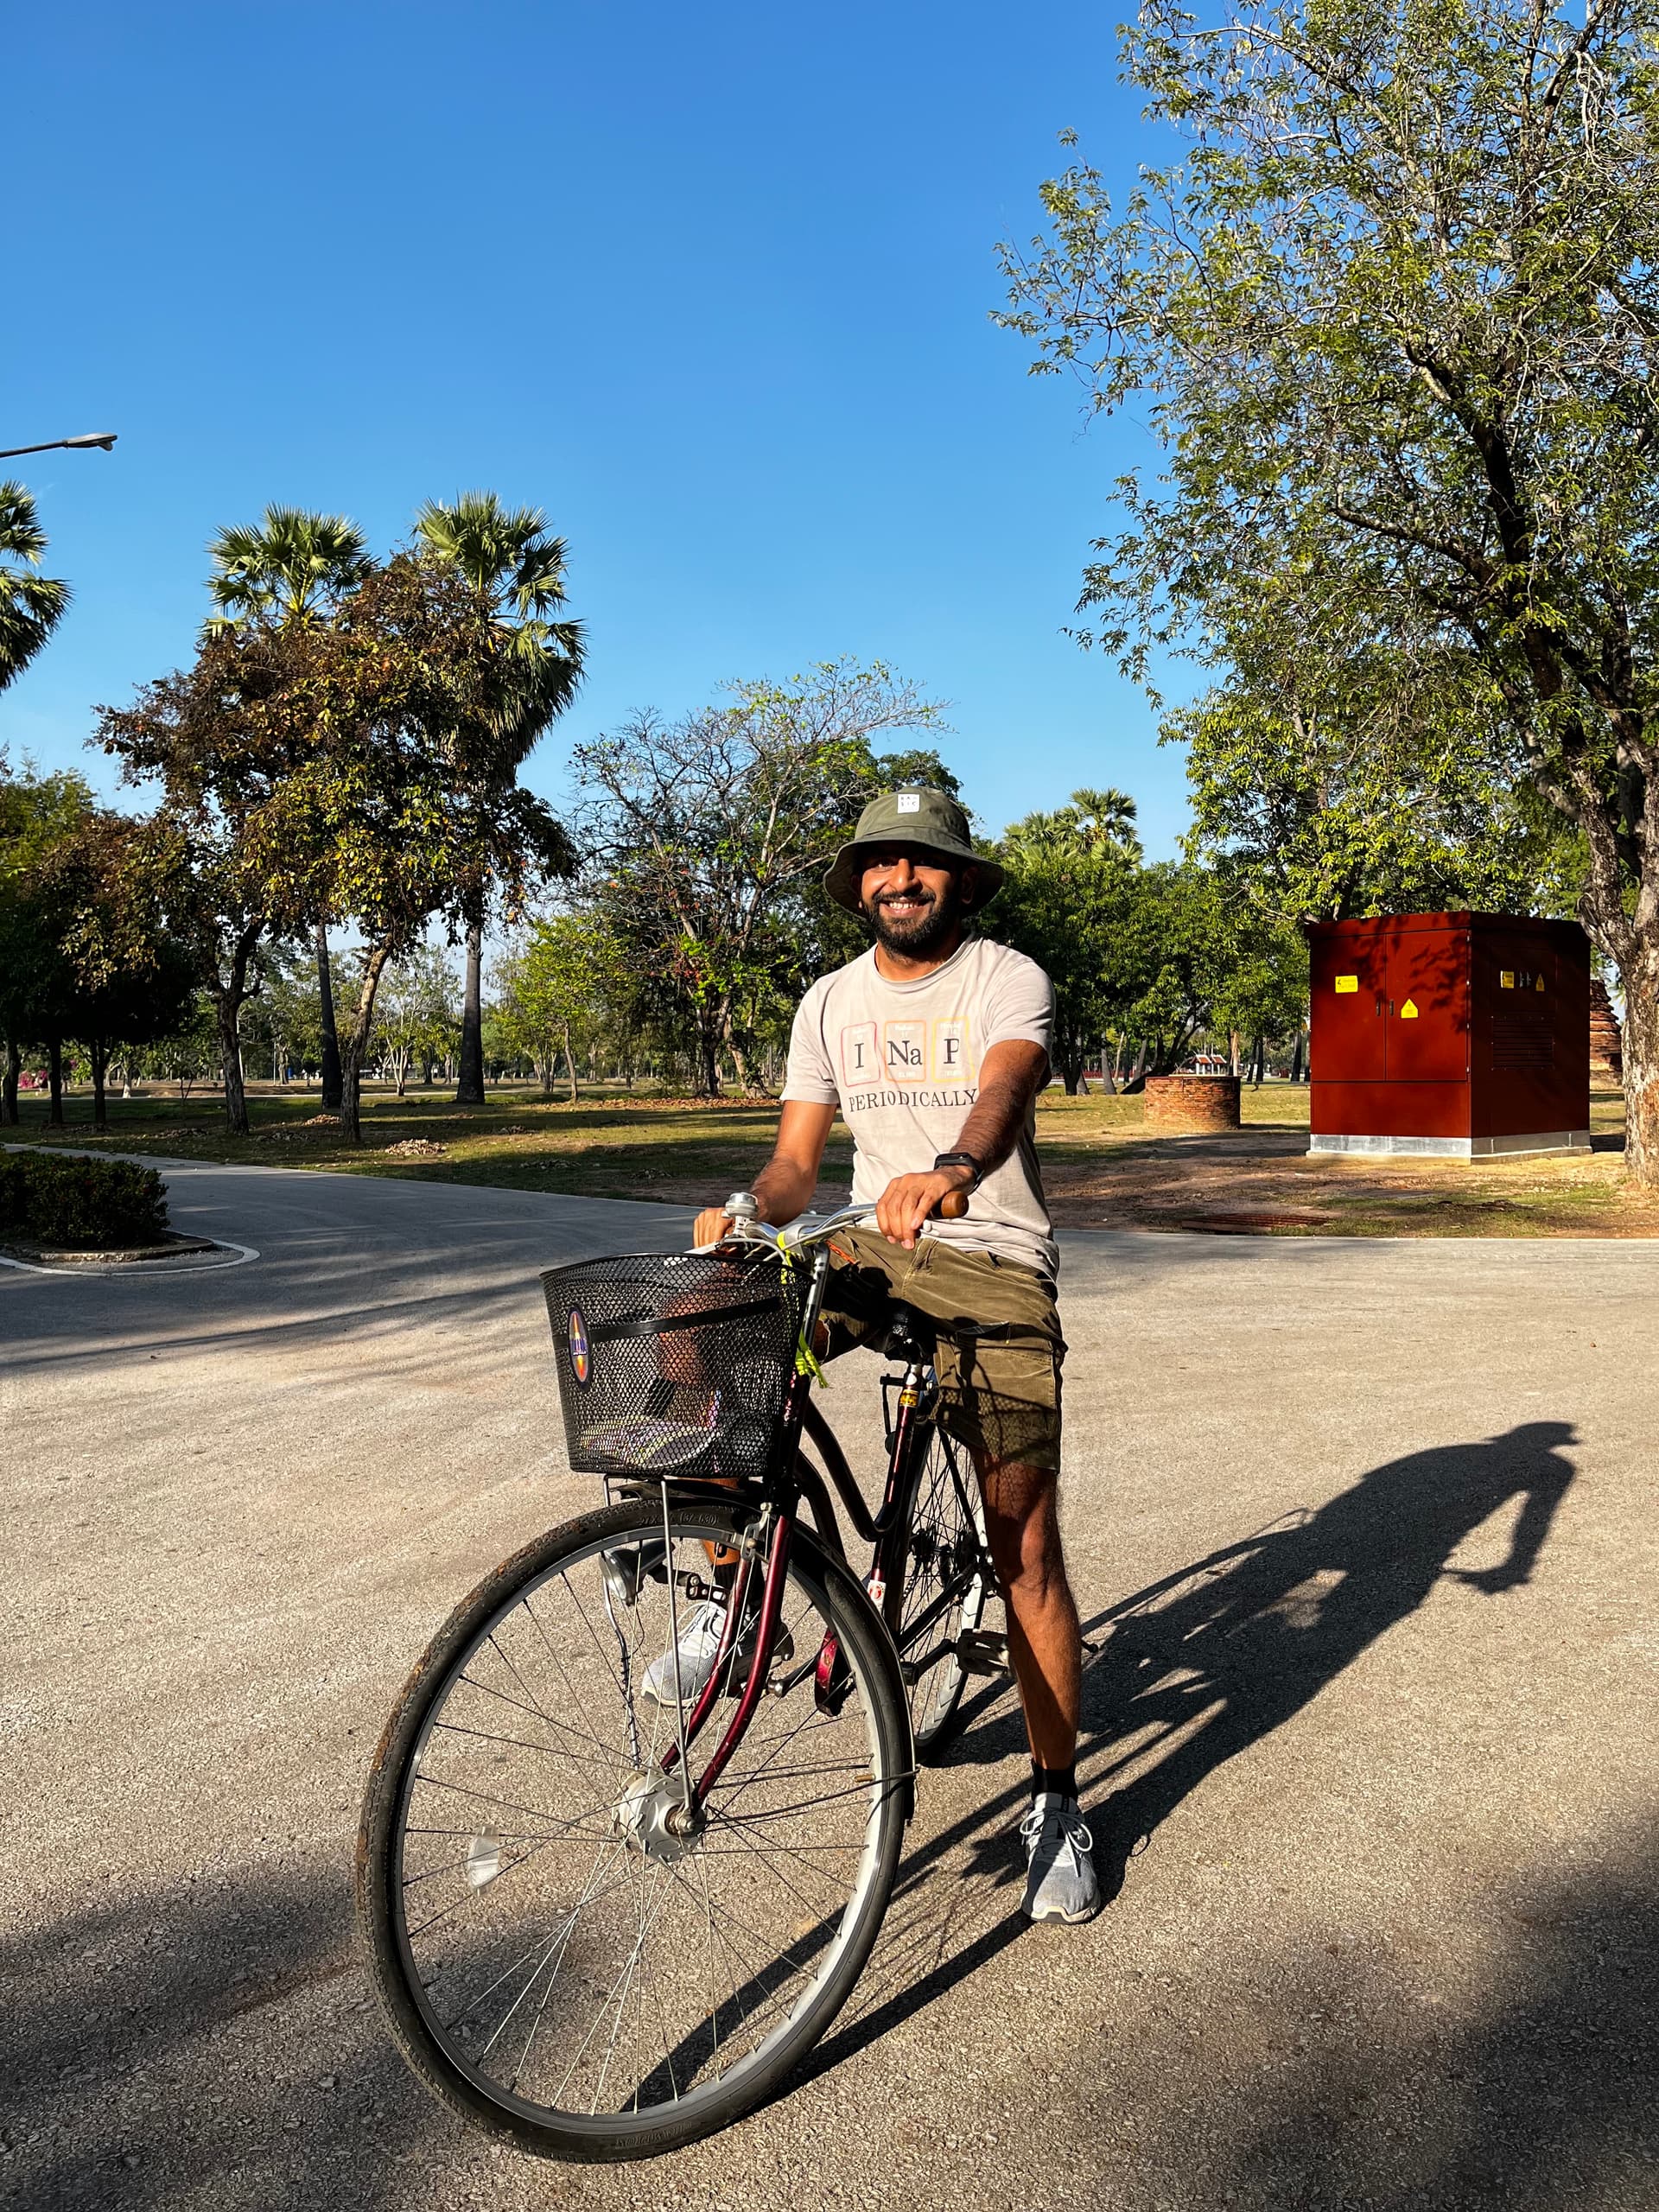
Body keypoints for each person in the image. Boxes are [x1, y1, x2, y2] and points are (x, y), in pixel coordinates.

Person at [686, 787, 1099, 1925]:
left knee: (1024, 1550)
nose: (899, 879)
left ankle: (1057, 1800)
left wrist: (957, 1171)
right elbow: (792, 1167)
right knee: (706, 1344)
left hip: (991, 1257)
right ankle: (740, 1599)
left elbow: (1002, 1094)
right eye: (880, 864)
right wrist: (747, 1211)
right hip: (866, 1243)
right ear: (859, 883)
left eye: (922, 862)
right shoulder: (827, 1001)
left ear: (958, 880)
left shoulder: (1007, 977)